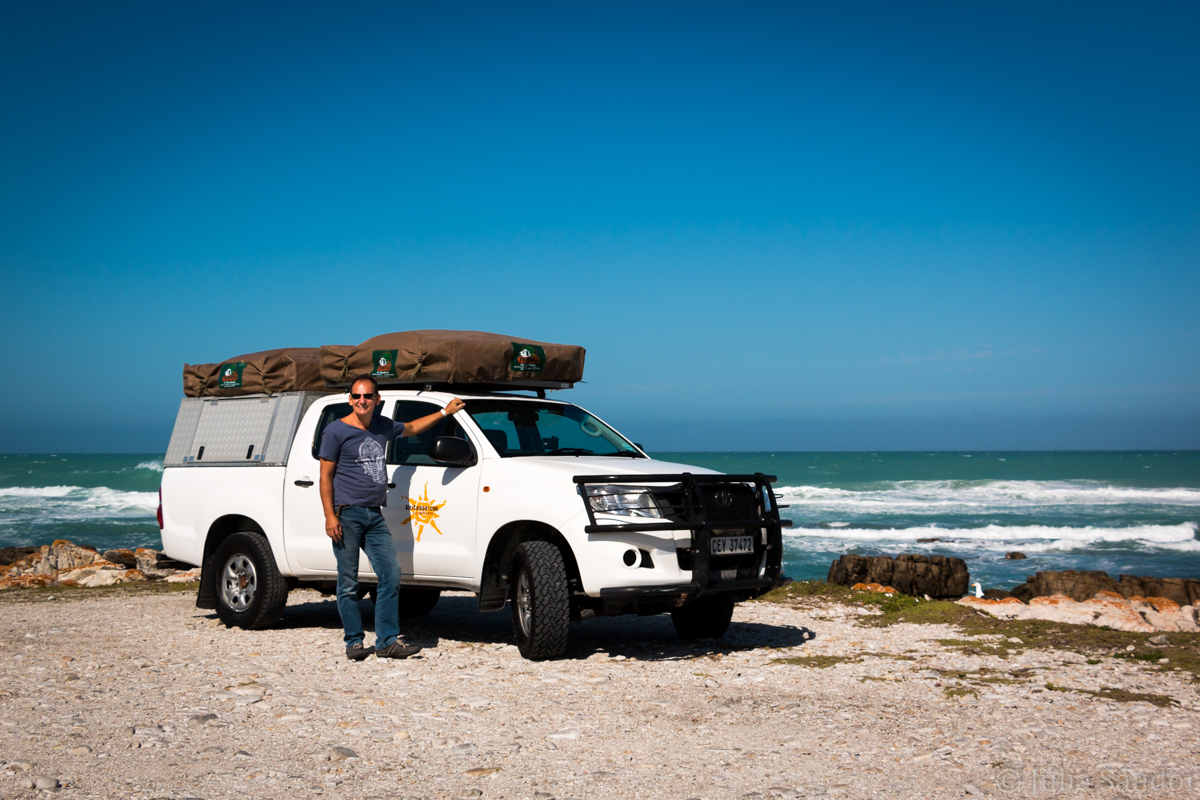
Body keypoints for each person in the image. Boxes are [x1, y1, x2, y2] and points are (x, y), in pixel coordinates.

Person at [319, 374, 465, 660]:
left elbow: (411, 427)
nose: (362, 400)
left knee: (391, 574)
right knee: (348, 582)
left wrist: (444, 412)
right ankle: (354, 642)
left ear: (377, 399)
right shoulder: (335, 431)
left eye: (368, 396)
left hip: (375, 515)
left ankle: (387, 640)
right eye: (357, 396)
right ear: (350, 399)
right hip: (346, 514)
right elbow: (325, 476)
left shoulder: (382, 426)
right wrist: (329, 517)